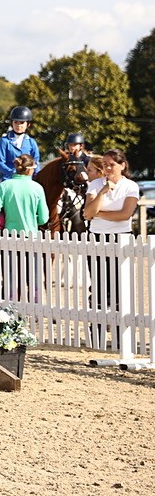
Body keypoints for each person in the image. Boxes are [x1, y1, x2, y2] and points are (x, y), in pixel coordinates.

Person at [83, 149, 140, 349]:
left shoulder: (130, 186)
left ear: (122, 165)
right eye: (105, 164)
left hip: (121, 239)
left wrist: (100, 213)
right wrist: (102, 192)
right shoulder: (95, 184)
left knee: (118, 288)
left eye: (111, 165)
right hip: (97, 238)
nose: (107, 168)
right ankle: (97, 337)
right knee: (98, 287)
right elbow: (88, 213)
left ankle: (118, 337)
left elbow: (125, 215)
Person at [0, 155, 49, 233]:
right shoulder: (38, 188)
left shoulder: (4, 186)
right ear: (30, 170)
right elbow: (43, 219)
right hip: (31, 236)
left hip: (8, 236)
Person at [0, 106, 40, 181]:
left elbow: (35, 163)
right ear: (12, 123)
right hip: (9, 178)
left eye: (22, 123)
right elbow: (0, 163)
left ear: (28, 124)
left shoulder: (31, 142)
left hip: (27, 179)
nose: (18, 125)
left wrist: (37, 176)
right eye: (15, 122)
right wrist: (13, 173)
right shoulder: (4, 141)